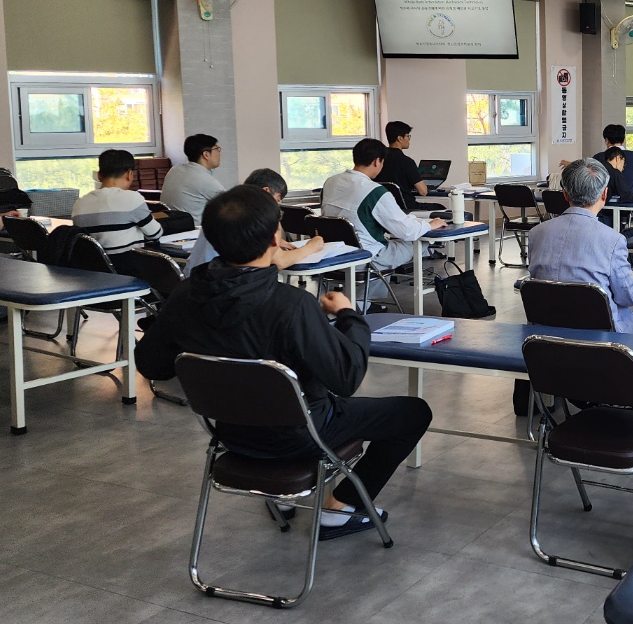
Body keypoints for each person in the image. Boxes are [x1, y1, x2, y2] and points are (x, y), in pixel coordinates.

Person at [137, 184, 431, 540]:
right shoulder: (291, 305)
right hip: (301, 436)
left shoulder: (184, 297)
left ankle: (284, 495)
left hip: (230, 433)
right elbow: (346, 377)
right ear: (275, 240)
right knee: (413, 413)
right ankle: (339, 509)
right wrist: (350, 316)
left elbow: (152, 366)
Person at [527, 158, 633, 335]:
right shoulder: (613, 240)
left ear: (565, 194)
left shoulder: (536, 233)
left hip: (547, 333)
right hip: (602, 336)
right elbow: (628, 297)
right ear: (604, 194)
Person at [322, 138, 441, 272]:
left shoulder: (330, 182)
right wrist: (429, 225)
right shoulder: (374, 191)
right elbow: (407, 231)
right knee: (421, 242)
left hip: (333, 256)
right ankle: (418, 281)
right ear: (377, 161)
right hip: (367, 258)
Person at [185, 167, 324, 273]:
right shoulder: (254, 215)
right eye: (277, 200)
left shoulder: (229, 206)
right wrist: (311, 247)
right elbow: (280, 261)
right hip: (222, 286)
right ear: (266, 191)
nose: (275, 206)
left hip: (196, 279)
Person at [70, 150, 164, 273]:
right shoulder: (132, 199)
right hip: (129, 271)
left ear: (99, 175)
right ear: (129, 174)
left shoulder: (79, 203)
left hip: (94, 273)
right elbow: (155, 234)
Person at [160, 133, 226, 225]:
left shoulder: (175, 170)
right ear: (206, 154)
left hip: (171, 227)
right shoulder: (204, 179)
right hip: (194, 230)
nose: (219, 153)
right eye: (217, 149)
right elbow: (232, 205)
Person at [376, 120, 431, 212]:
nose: (409, 139)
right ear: (400, 138)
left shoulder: (378, 160)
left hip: (385, 208)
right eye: (408, 136)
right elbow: (423, 191)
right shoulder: (407, 161)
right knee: (441, 207)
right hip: (408, 208)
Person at [594, 123, 633, 203]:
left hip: (603, 203)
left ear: (606, 141)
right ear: (623, 140)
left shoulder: (598, 157)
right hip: (629, 203)